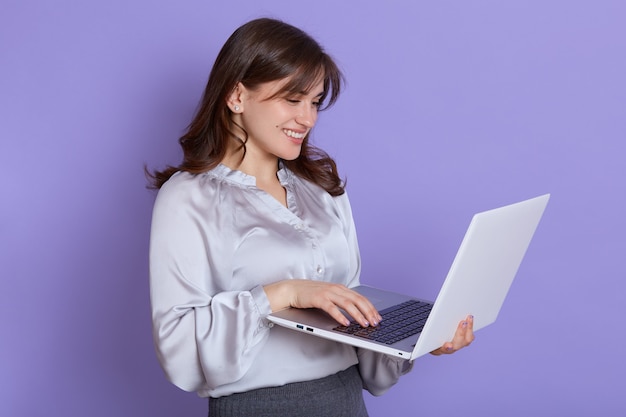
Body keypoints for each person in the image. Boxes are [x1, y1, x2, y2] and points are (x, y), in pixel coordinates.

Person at [148, 17, 474, 417]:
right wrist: (284, 293)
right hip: (259, 407)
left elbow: (351, 310)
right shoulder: (188, 197)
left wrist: (419, 341)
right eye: (292, 98)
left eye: (315, 102)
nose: (308, 118)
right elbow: (178, 344)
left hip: (344, 400)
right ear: (237, 96)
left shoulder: (323, 190)